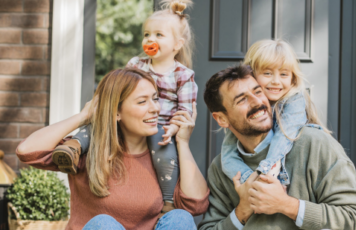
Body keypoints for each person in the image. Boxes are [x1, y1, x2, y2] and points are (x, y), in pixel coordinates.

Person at [51, 0, 197, 216]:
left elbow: (184, 111)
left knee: (166, 157)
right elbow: (119, 86)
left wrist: (174, 130)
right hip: (130, 120)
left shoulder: (183, 75)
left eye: (159, 35)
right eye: (147, 34)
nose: (150, 39)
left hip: (161, 127)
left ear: (177, 45)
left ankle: (167, 202)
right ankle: (73, 148)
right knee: (99, 124)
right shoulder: (136, 65)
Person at [16, 68, 209, 230]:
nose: (155, 108)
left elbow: (196, 204)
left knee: (180, 219)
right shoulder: (86, 151)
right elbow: (27, 151)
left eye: (155, 98)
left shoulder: (163, 156)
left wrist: (183, 143)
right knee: (103, 224)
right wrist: (83, 116)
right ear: (116, 112)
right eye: (142, 102)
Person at [199, 64, 356, 230]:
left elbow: (353, 218)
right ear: (221, 119)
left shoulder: (314, 143)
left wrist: (286, 205)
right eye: (242, 99)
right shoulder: (221, 168)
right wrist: (243, 209)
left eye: (258, 91)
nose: (258, 101)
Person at [221, 40, 330, 185]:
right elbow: (227, 155)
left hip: (286, 169)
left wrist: (265, 171)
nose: (276, 81)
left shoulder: (294, 100)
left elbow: (284, 136)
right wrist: (251, 181)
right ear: (250, 74)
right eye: (267, 73)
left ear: (292, 79)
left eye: (284, 74)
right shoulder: (247, 109)